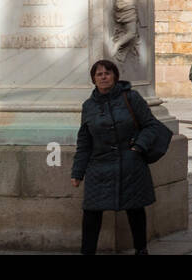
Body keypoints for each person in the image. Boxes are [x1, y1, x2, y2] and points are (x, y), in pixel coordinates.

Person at [71, 59, 167, 255]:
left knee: (135, 209)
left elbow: (150, 125)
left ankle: (141, 249)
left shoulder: (131, 98)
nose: (104, 77)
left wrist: (138, 147)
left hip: (130, 162)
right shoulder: (88, 106)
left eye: (107, 73)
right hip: (99, 165)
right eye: (99, 74)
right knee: (91, 212)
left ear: (115, 76)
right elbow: (85, 141)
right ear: (93, 79)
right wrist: (77, 172)